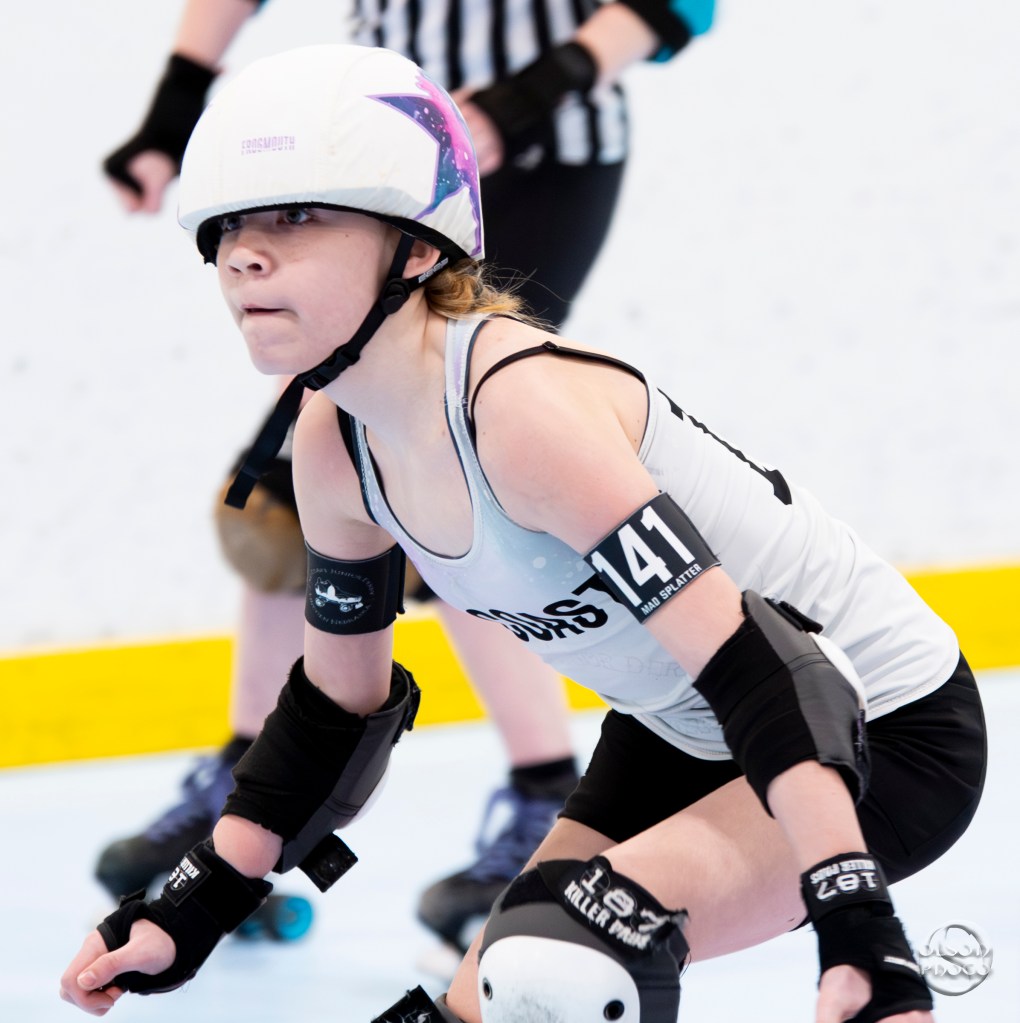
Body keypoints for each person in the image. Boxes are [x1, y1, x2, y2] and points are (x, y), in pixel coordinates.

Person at [60, 45, 986, 1022]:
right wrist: (192, 907)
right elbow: (334, 713)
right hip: (683, 729)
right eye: (232, 225)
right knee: (477, 1006)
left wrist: (859, 925)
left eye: (298, 216)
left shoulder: (519, 412)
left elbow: (768, 670)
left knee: (556, 971)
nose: (245, 254)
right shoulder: (334, 444)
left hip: (881, 728)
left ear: (418, 249)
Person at [94, 0, 715, 953]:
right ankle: (247, 778)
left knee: (445, 466)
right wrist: (175, 102)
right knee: (289, 491)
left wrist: (524, 99)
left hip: (545, 148)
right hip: (361, 163)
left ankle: (544, 794)